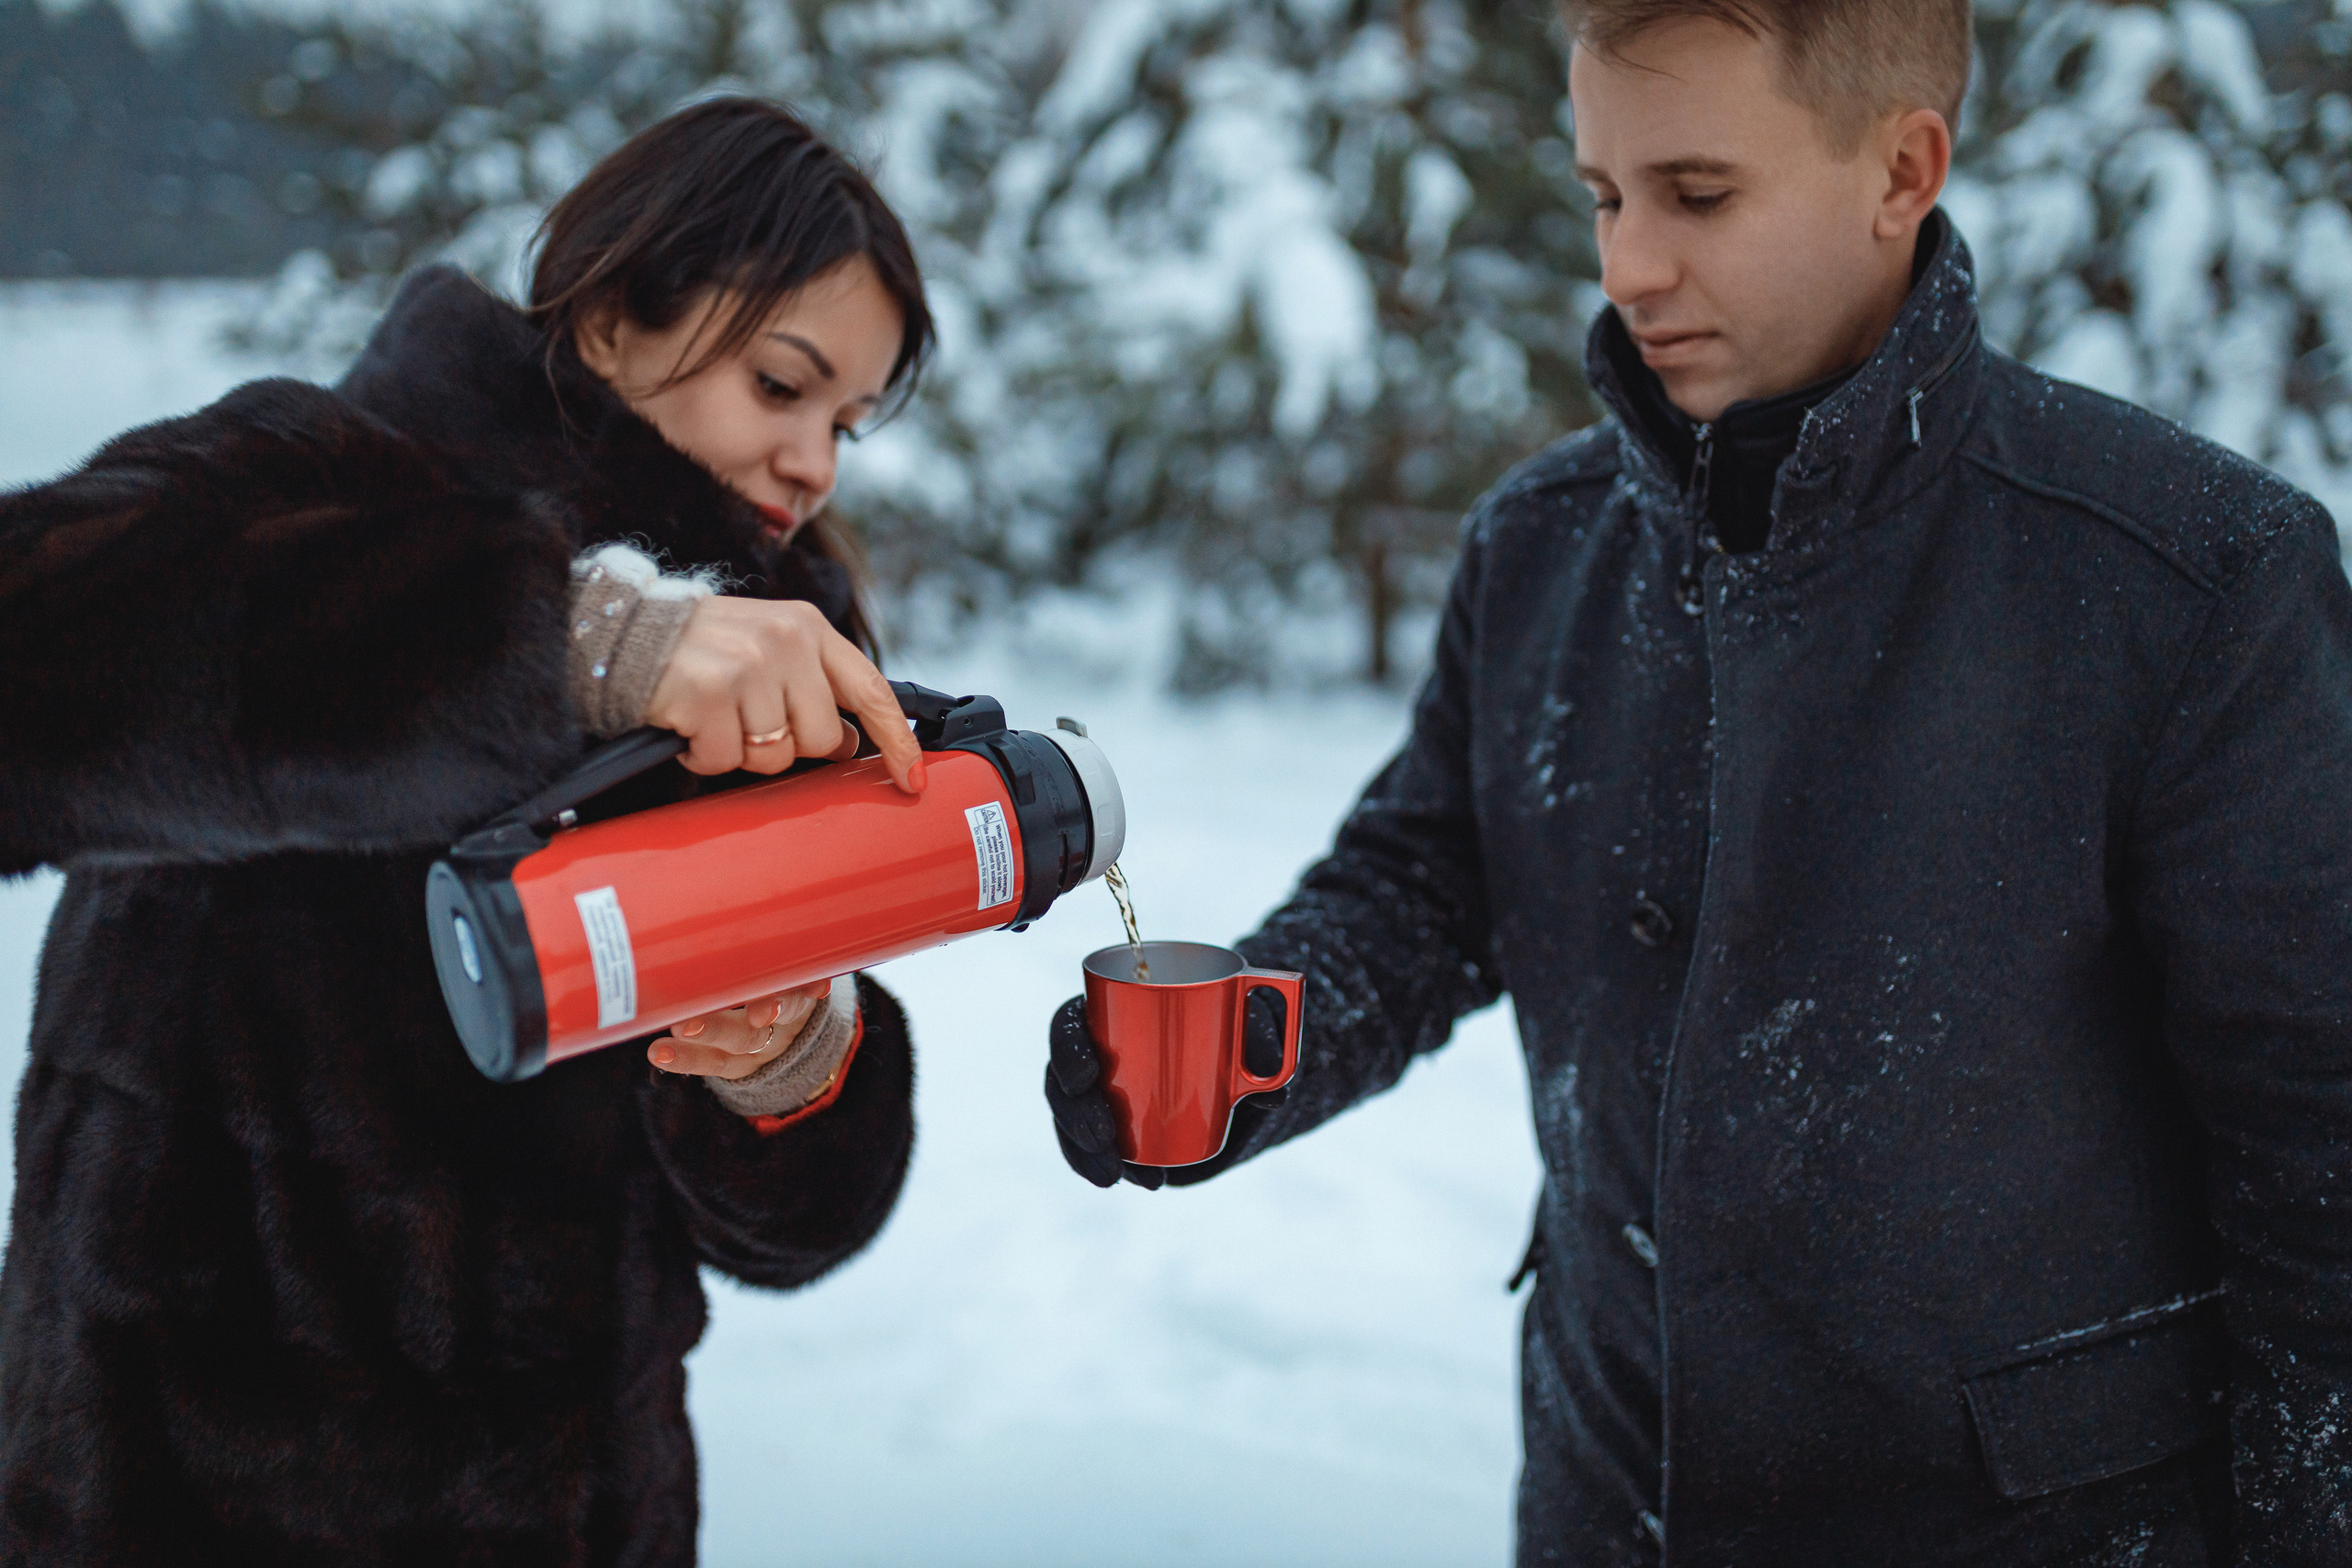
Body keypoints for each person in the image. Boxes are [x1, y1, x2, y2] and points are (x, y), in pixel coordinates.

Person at [1043, 3, 2352, 1562]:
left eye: (1698, 195)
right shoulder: (1540, 542)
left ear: (1902, 170)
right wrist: (1248, 1045)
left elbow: (2321, 1161)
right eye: (1603, 195)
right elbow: (1420, 884)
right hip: (1610, 1501)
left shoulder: (2191, 577)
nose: (1626, 268)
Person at [0, 98, 933, 1563]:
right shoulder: (325, 472)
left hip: (586, 1509)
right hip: (182, 1476)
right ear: (620, 313)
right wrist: (574, 643)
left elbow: (800, 1225)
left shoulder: (778, 658)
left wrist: (793, 1064)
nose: (815, 460)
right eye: (781, 385)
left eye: (847, 424)